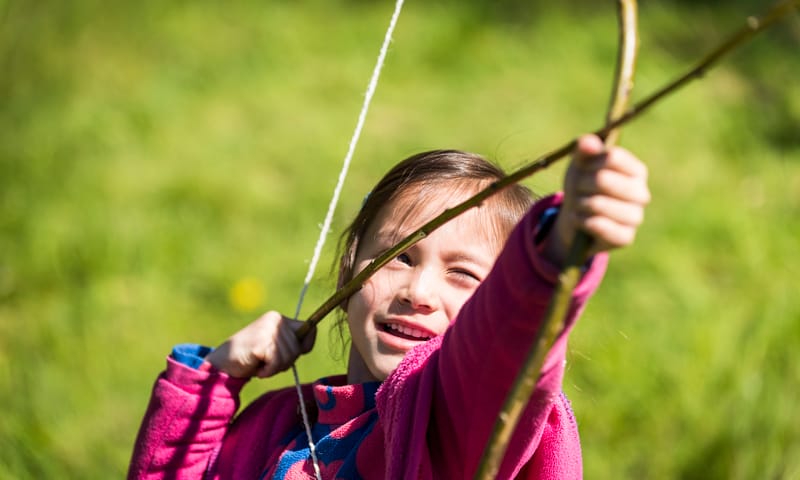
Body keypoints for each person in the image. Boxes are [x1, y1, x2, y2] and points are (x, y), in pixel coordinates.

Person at [128, 134, 650, 479]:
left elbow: (504, 343)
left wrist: (558, 247)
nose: (417, 292)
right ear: (349, 272)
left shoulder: (449, 425)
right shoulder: (282, 421)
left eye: (464, 274)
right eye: (399, 257)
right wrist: (215, 378)